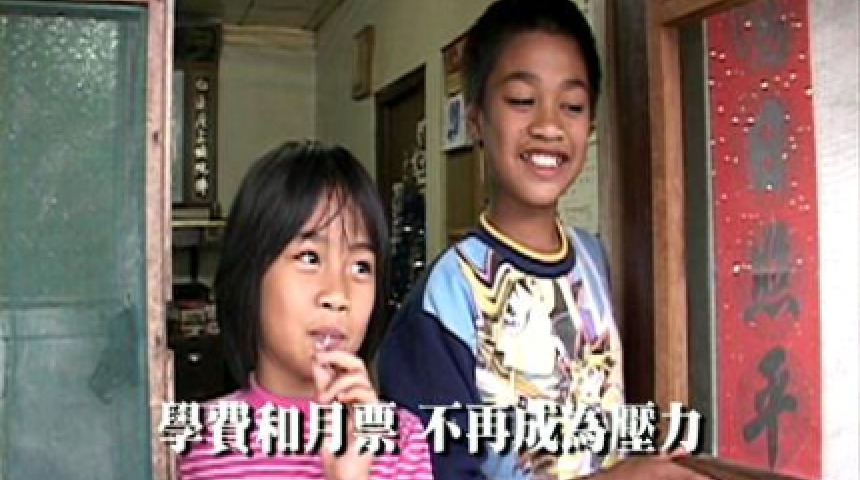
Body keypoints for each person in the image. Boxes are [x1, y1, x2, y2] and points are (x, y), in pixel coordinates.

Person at [377, 1, 709, 479]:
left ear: (590, 124)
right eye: (521, 100)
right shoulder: (444, 301)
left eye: (571, 106)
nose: (549, 126)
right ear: (476, 120)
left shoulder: (600, 263)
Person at [178, 140, 434, 480]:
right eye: (310, 258)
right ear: (250, 275)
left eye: (361, 267)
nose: (337, 295)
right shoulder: (197, 443)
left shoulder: (403, 440)